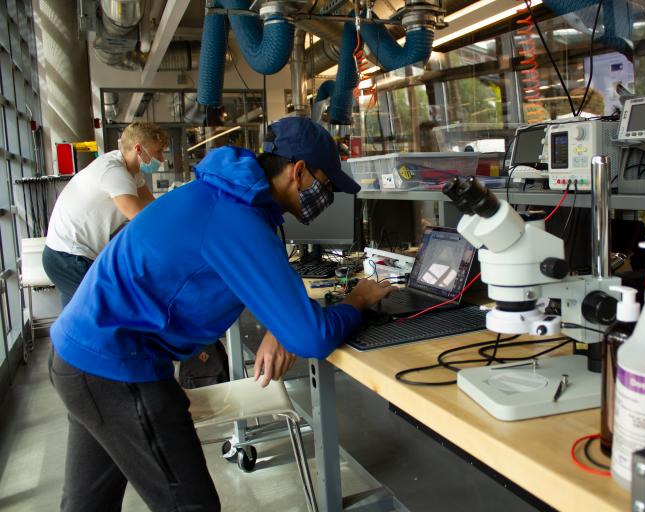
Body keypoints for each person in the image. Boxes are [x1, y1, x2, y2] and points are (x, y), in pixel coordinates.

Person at [48, 116, 394, 511]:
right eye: (326, 184)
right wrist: (358, 301)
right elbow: (311, 338)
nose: (327, 195)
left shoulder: (224, 195)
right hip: (118, 368)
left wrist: (280, 324)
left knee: (86, 505)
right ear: (298, 172)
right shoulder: (237, 218)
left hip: (78, 356)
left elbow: (255, 279)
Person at [42, 122, 169, 307]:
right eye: (158, 151)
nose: (162, 158)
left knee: (79, 322)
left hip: (68, 254)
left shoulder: (129, 169)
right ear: (138, 149)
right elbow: (141, 219)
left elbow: (152, 209)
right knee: (113, 309)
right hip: (67, 257)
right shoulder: (115, 173)